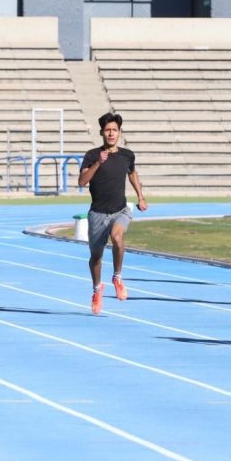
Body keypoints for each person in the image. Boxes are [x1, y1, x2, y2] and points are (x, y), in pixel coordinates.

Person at [77, 111, 147, 315]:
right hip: (98, 214)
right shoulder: (92, 155)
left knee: (117, 237)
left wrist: (141, 196)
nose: (111, 133)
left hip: (120, 210)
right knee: (96, 258)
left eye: (114, 130)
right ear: (101, 132)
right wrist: (98, 162)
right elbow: (82, 182)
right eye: (107, 130)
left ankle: (117, 276)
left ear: (119, 132)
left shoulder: (127, 155)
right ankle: (97, 290)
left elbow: (132, 173)